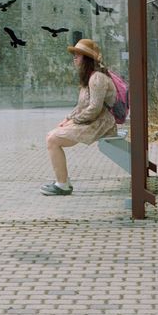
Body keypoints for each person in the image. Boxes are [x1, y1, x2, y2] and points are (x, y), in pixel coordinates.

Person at [41, 38, 116, 196]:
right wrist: (67, 119)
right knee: (51, 136)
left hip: (101, 123)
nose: (74, 58)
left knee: (52, 139)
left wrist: (74, 121)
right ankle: (63, 181)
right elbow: (82, 106)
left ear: (87, 58)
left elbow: (94, 108)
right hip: (93, 121)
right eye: (74, 55)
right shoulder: (89, 77)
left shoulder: (97, 78)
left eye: (78, 55)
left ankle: (62, 185)